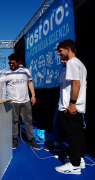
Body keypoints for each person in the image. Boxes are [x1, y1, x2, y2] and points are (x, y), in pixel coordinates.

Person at [0, 53, 41, 150]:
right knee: (14, 121)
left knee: (28, 121)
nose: (11, 65)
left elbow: (30, 82)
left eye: (13, 63)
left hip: (25, 101)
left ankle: (31, 140)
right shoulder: (6, 73)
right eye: (9, 63)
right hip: (13, 101)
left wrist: (33, 95)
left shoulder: (25, 71)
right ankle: (14, 139)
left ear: (18, 62)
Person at [55, 39, 87, 175]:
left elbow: (77, 84)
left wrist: (72, 103)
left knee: (73, 136)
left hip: (72, 107)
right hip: (77, 107)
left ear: (68, 49)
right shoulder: (80, 64)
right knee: (78, 135)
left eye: (60, 51)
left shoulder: (72, 63)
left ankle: (74, 165)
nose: (59, 54)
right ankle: (79, 160)